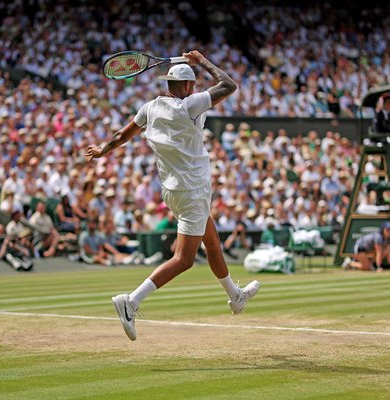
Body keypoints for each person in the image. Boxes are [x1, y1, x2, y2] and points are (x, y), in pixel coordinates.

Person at [86, 50, 260, 341]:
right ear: (189, 87)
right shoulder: (190, 106)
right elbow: (229, 85)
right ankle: (131, 301)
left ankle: (235, 296)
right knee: (184, 259)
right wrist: (201, 61)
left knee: (213, 242)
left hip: (173, 190)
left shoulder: (150, 108)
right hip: (191, 191)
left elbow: (120, 136)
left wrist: (103, 149)